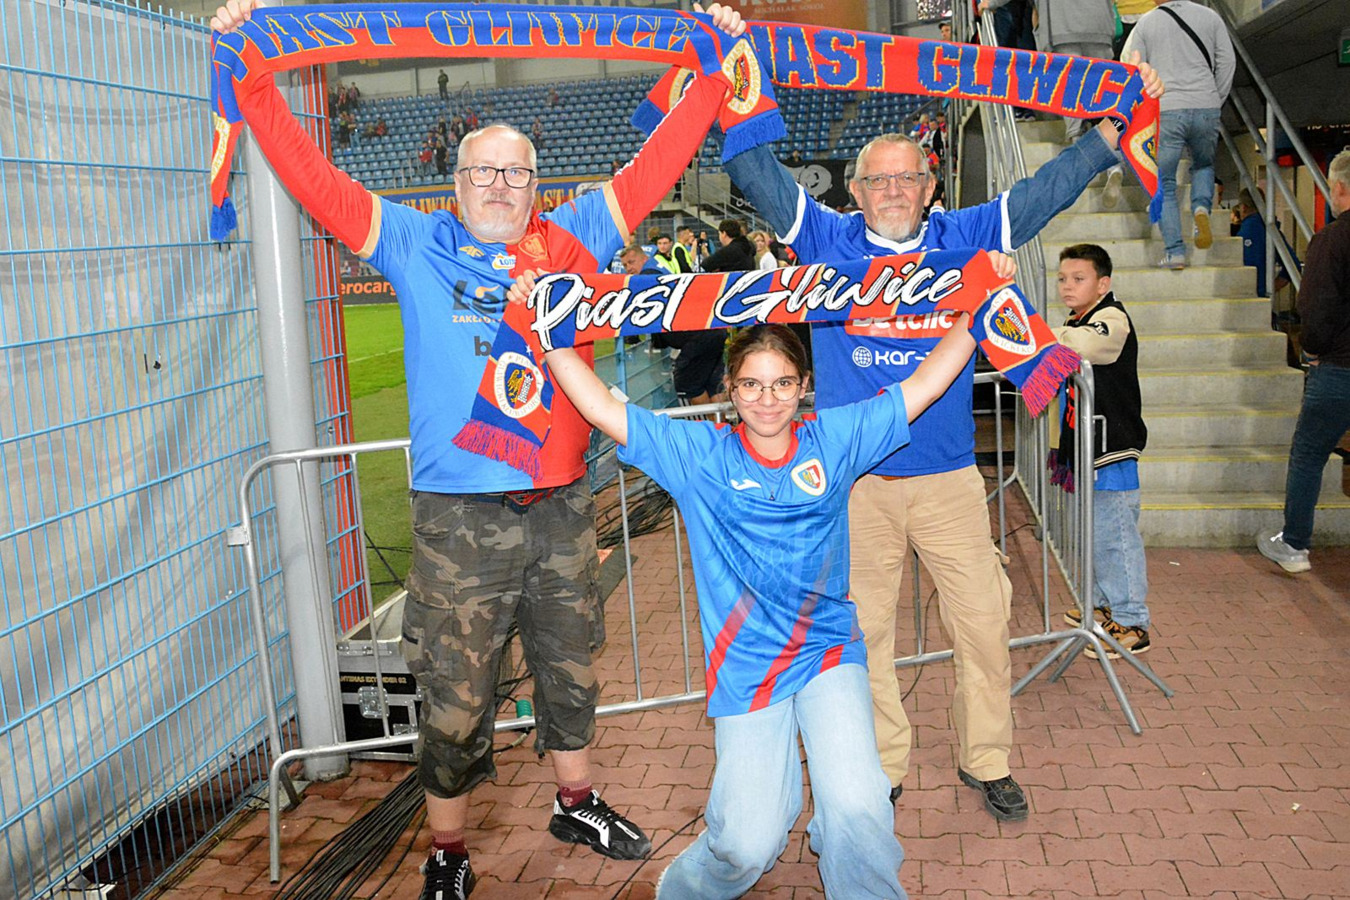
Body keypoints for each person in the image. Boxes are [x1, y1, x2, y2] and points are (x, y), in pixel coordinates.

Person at [209, 3, 751, 898]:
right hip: (458, 522)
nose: (500, 185)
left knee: (571, 666)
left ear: (536, 185)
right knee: (455, 699)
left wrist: (713, 62)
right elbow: (311, 175)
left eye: (516, 172)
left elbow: (660, 162)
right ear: (455, 183)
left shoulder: (576, 235)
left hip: (562, 505)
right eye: (483, 171)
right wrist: (255, 74)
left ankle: (575, 800)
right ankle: (449, 851)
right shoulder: (413, 242)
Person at [725, 62, 1163, 821]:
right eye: (878, 180)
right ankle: (880, 766)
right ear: (855, 191)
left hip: (951, 480)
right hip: (856, 484)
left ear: (930, 187)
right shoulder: (826, 238)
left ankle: (986, 758)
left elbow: (1044, 192)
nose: (893, 191)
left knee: (984, 626)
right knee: (864, 636)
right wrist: (727, 74)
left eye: (908, 179)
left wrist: (1109, 133)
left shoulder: (964, 235)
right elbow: (751, 170)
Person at [532, 318, 981, 900]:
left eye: (782, 384)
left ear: (804, 386)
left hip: (827, 651)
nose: (767, 400)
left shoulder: (835, 438)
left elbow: (923, 385)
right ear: (730, 387)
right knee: (746, 842)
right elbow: (602, 409)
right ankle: (690, 884)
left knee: (860, 808)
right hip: (747, 664)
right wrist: (548, 330)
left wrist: (976, 312)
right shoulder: (700, 457)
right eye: (751, 384)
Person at [1050, 244, 1151, 657]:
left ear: (1102, 284)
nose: (1067, 286)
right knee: (1096, 533)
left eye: (1079, 279)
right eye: (1062, 278)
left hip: (1112, 447)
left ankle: (1132, 621)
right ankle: (1104, 604)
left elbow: (1088, 347)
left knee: (1115, 536)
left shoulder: (1112, 318)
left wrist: (1040, 337)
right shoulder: (1075, 321)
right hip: (1086, 448)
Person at [1256, 149, 1350, 574]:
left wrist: (1310, 348)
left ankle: (1294, 544)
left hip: (1339, 368)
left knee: (1309, 453)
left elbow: (1316, 308)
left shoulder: (1332, 240)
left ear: (1339, 188)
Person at [1124, 0, 1234, 268]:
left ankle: (1175, 253)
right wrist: (1214, 98)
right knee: (1203, 165)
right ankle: (1201, 209)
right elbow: (1227, 62)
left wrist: (1145, 107)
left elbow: (1133, 67)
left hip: (1166, 108)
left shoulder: (1146, 23)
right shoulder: (1211, 17)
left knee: (1164, 183)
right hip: (1206, 104)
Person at [1032, 0, 1117, 142]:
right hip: (1099, 25)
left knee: (1070, 88)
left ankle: (1078, 137)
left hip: (1061, 28)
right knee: (1100, 91)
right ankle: (1106, 139)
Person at [1231, 190, 1294, 299]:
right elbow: (1293, 265)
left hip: (1242, 296)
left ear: (1243, 207)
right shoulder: (1271, 229)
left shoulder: (1244, 232)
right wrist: (1269, 288)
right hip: (1263, 300)